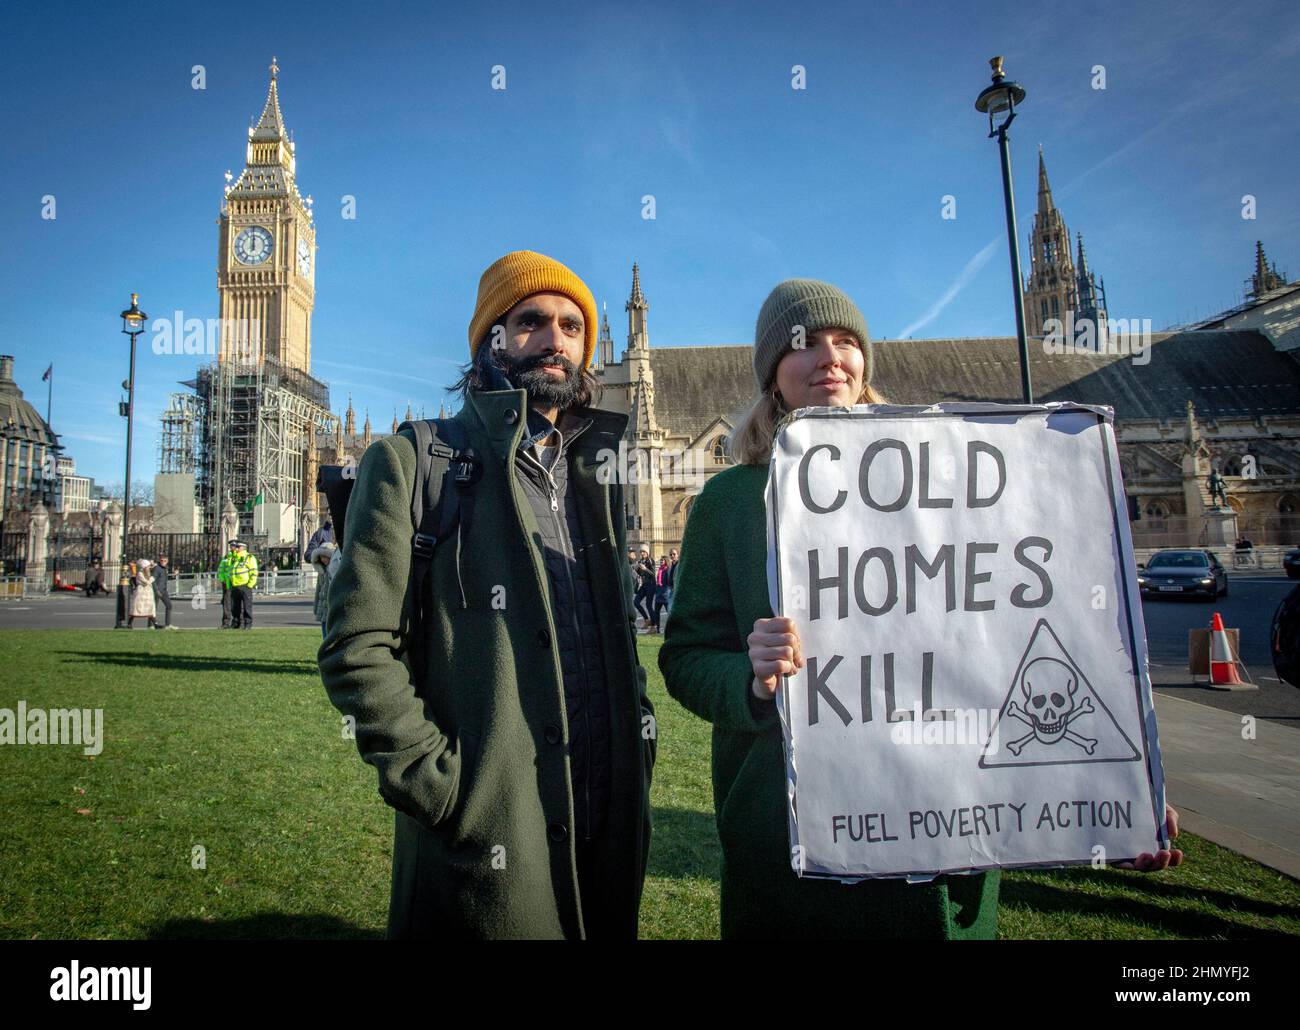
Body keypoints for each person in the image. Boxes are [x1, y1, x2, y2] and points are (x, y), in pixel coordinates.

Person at [659, 278, 1182, 940]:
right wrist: (748, 679)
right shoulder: (731, 501)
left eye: (846, 341)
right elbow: (684, 659)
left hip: (943, 846)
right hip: (788, 842)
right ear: (772, 372)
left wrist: (1124, 791)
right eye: (803, 345)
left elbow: (1044, 637)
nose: (828, 357)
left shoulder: (956, 485)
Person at [320, 250, 655, 940]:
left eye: (570, 326)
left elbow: (615, 631)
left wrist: (639, 743)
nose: (554, 339)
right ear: (490, 340)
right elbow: (356, 647)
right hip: (491, 831)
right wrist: (444, 789)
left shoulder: (598, 478)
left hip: (605, 818)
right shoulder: (415, 462)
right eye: (529, 321)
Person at [227, 541, 258, 629]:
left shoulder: (249, 557)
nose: (236, 549)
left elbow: (254, 571)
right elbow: (231, 571)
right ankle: (236, 623)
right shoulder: (235, 558)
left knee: (247, 606)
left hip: (245, 585)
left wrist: (250, 584)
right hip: (235, 585)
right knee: (235, 607)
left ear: (243, 548)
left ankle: (247, 624)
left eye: (238, 547)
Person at [310, 541, 337, 638]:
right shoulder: (322, 572)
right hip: (323, 608)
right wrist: (316, 606)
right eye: (321, 557)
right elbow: (318, 590)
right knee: (325, 636)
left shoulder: (334, 570)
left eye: (325, 557)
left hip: (332, 608)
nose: (323, 559)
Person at [128, 558, 158, 629]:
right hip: (141, 592)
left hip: (148, 592)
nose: (149, 568)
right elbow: (146, 582)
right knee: (137, 608)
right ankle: (129, 623)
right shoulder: (140, 573)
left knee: (150, 608)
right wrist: (153, 578)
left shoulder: (148, 573)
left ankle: (155, 623)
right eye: (148, 566)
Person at [633, 548, 656, 628]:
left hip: (651, 584)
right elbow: (639, 574)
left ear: (647, 552)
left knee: (648, 605)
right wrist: (636, 569)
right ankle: (646, 619)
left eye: (644, 551)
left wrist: (645, 569)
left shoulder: (650, 560)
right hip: (644, 585)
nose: (642, 553)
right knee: (636, 602)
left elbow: (653, 574)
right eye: (641, 552)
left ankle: (653, 626)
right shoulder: (640, 561)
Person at [152, 555, 177, 630]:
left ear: (167, 561)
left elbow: (165, 577)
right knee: (153, 608)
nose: (163, 562)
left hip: (163, 590)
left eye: (165, 561)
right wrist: (156, 591)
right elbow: (153, 580)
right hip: (157, 591)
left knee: (169, 605)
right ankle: (151, 625)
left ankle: (168, 624)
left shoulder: (165, 568)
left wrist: (174, 574)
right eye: (161, 560)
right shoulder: (157, 568)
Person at [217, 544, 237, 628]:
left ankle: (236, 621)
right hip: (227, 584)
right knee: (226, 604)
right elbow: (220, 570)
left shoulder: (239, 558)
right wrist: (223, 580)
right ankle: (226, 623)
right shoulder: (225, 559)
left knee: (236, 604)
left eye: (234, 546)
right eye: (231, 546)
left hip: (237, 583)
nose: (231, 548)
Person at [650, 556, 670, 633]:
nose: (661, 561)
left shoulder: (667, 570)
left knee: (669, 612)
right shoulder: (660, 569)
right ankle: (657, 628)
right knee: (656, 613)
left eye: (662, 560)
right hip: (658, 594)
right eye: (661, 560)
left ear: (666, 561)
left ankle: (671, 628)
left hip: (665, 594)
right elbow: (658, 581)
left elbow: (669, 582)